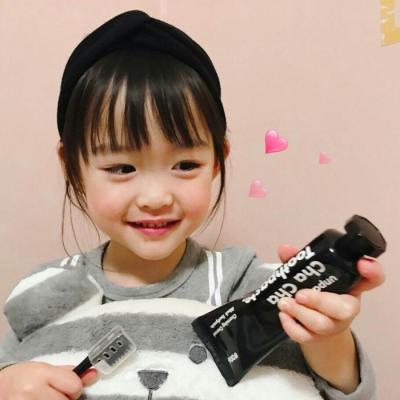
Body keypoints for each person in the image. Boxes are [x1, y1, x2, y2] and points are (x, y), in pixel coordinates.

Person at [0, 9, 385, 400]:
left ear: (217, 161)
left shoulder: (247, 284)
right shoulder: (45, 292)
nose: (156, 198)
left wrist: (327, 336)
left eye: (185, 165)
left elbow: (344, 390)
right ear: (72, 166)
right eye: (122, 168)